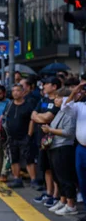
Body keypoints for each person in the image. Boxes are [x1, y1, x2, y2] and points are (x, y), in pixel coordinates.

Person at [43, 88, 78, 216]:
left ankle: (70, 204)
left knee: (65, 176)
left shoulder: (70, 112)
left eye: (58, 98)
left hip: (64, 147)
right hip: (55, 146)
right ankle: (63, 201)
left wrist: (49, 130)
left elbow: (68, 132)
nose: (55, 100)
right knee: (58, 176)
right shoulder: (60, 111)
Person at [31, 77, 61, 206]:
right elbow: (33, 114)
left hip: (54, 139)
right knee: (46, 168)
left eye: (46, 84)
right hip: (41, 138)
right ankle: (48, 193)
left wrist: (40, 117)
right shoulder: (43, 99)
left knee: (55, 168)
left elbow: (49, 117)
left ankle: (56, 195)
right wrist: (41, 118)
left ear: (54, 86)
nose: (43, 86)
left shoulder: (58, 101)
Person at [61, 77, 86, 221]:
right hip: (81, 148)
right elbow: (65, 107)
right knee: (82, 181)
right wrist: (75, 91)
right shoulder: (80, 106)